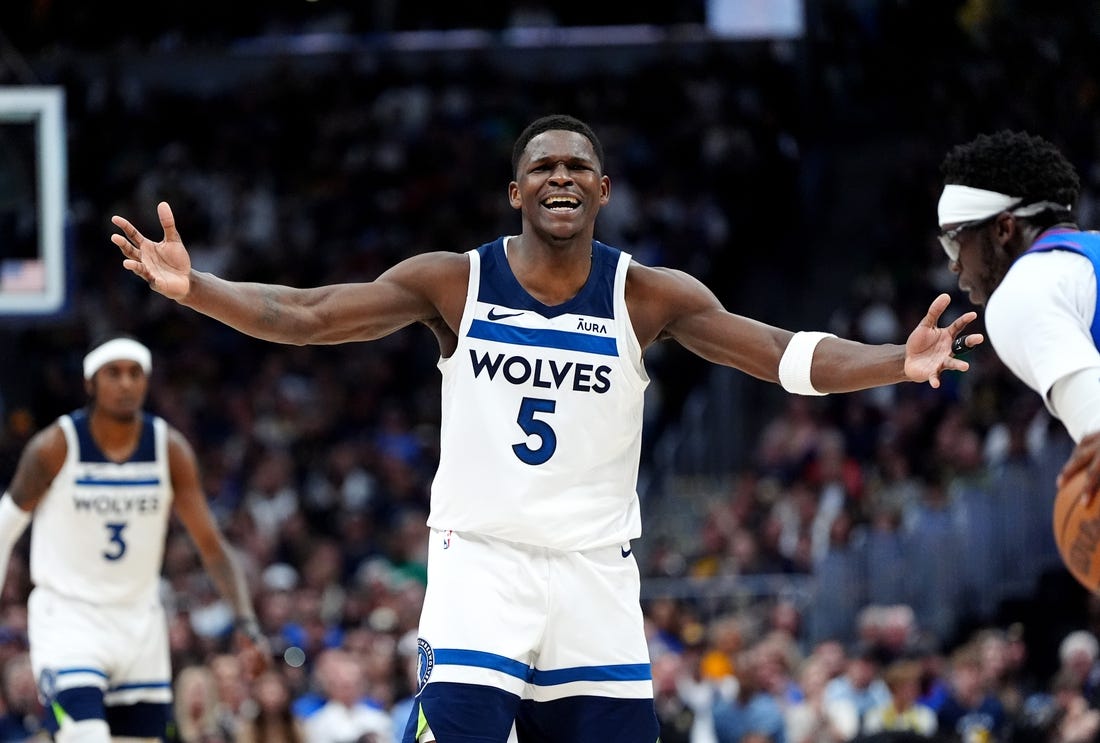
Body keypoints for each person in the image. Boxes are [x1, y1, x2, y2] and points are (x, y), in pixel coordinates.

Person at [112, 114, 981, 743]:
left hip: (594, 576)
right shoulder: (455, 282)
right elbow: (308, 315)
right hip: (481, 567)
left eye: (577, 166)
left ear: (603, 189)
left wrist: (894, 362)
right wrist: (197, 288)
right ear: (516, 190)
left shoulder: (648, 294)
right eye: (543, 166)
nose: (560, 177)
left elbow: (783, 354)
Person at [0, 335, 271, 742]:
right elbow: (3, 529)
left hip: (139, 622)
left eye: (135, 374)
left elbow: (212, 547)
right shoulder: (55, 446)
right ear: (90, 383)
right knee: (84, 736)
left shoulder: (169, 449)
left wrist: (246, 622)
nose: (125, 383)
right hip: (68, 618)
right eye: (114, 374)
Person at [934, 130, 1100, 497]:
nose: (953, 264)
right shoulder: (1090, 251)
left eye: (954, 242)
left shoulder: (1021, 290)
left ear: (1003, 229)